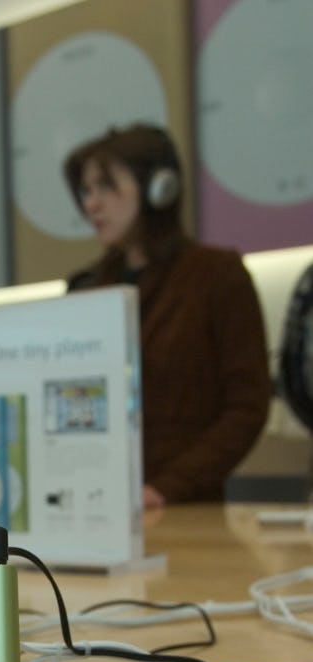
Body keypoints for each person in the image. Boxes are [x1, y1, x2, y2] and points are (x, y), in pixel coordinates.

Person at [63, 123, 271, 508]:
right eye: (86, 191)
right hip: (98, 505)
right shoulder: (88, 288)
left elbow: (247, 407)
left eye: (106, 187)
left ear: (159, 188)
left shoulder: (217, 276)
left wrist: (168, 487)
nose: (92, 204)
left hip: (188, 505)